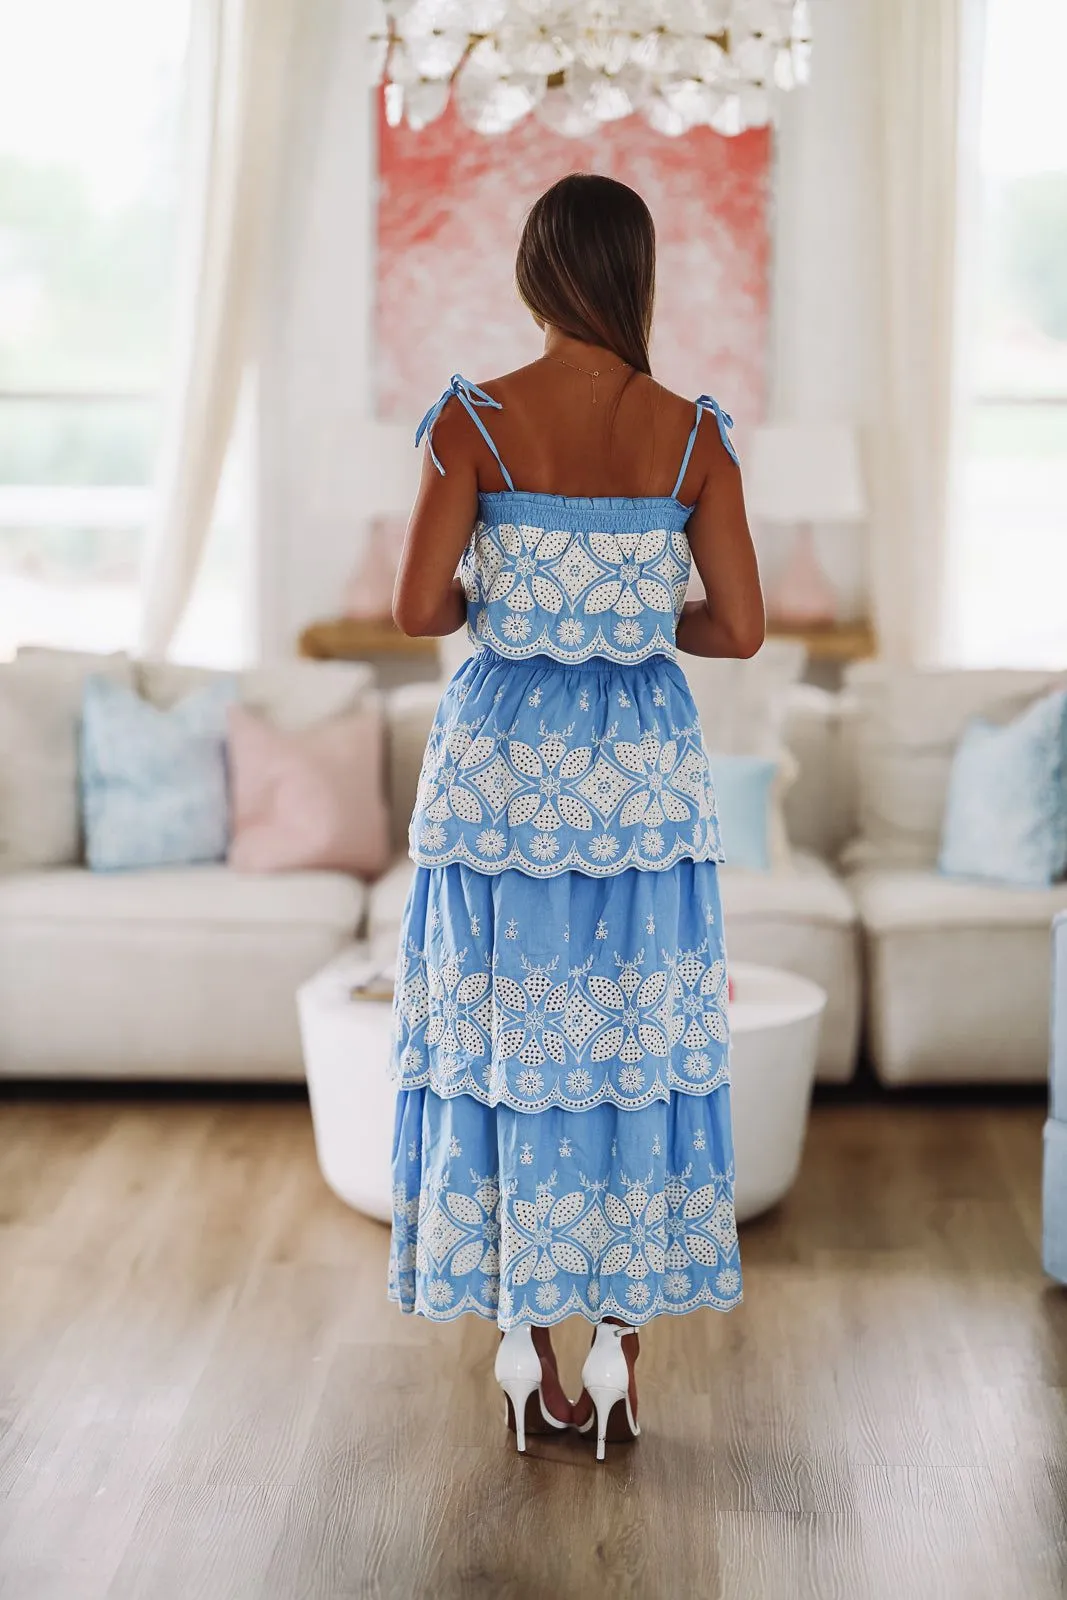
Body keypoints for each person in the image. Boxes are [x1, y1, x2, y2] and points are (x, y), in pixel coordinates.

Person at [387, 172, 764, 1461]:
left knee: (510, 1050)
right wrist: (632, 621)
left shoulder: (477, 423)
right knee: (628, 1052)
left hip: (501, 771)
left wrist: (525, 610)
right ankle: (619, 1355)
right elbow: (744, 628)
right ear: (639, 278)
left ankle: (523, 1351)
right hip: (643, 779)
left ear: (536, 276)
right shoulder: (692, 434)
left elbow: (419, 610)